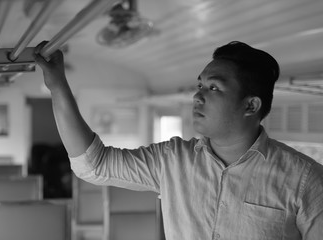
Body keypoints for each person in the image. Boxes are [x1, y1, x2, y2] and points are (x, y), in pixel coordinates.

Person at [35, 41, 323, 239]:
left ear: (251, 105)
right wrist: (57, 84)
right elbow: (93, 164)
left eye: (214, 87)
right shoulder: (173, 160)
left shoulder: (305, 179)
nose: (198, 95)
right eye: (200, 85)